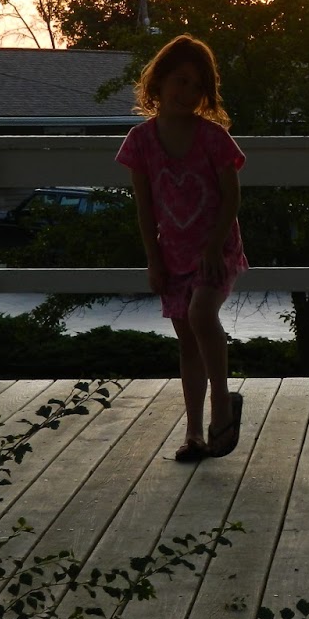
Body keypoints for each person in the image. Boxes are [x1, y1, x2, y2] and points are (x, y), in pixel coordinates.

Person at [116, 34, 249, 463]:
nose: (187, 93)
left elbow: (231, 196)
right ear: (158, 81)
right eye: (180, 81)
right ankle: (194, 433)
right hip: (172, 255)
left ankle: (222, 406)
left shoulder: (213, 137)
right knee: (188, 344)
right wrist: (153, 261)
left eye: (197, 86)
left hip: (215, 248)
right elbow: (144, 207)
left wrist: (213, 247)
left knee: (201, 314)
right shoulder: (140, 141)